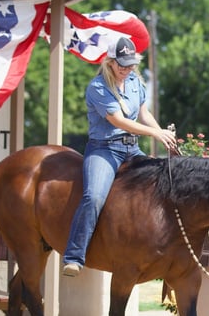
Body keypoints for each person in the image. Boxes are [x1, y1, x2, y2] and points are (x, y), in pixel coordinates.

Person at [62, 36, 177, 278]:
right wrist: (156, 134)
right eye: (122, 64)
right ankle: (74, 256)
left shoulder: (135, 81)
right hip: (104, 149)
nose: (126, 69)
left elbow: (144, 114)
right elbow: (120, 121)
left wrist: (164, 136)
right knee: (93, 196)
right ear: (110, 62)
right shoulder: (98, 87)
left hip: (132, 149)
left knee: (163, 187)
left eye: (131, 64)